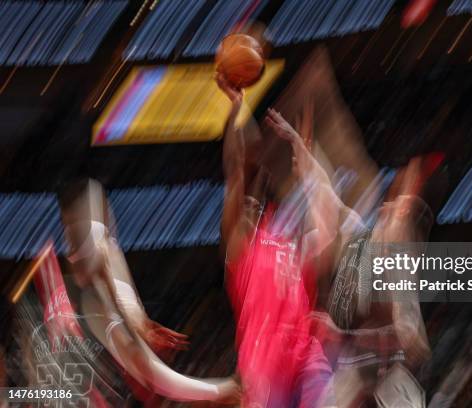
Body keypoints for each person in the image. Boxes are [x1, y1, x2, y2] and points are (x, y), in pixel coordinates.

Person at [59, 179, 240, 404]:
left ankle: (220, 391)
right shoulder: (96, 271)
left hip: (111, 309)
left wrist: (143, 324)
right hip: (104, 312)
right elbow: (152, 374)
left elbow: (109, 268)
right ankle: (220, 391)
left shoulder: (101, 247)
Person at [218, 72, 339, 407]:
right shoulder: (240, 248)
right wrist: (236, 109)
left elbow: (327, 212)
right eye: (243, 200)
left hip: (304, 357)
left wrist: (301, 150)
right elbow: (236, 169)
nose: (248, 203)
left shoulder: (286, 239)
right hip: (262, 364)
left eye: (253, 200)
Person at [311, 155, 445, 408]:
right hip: (371, 366)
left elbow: (402, 339)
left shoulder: (398, 248)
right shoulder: (372, 242)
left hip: (390, 370)